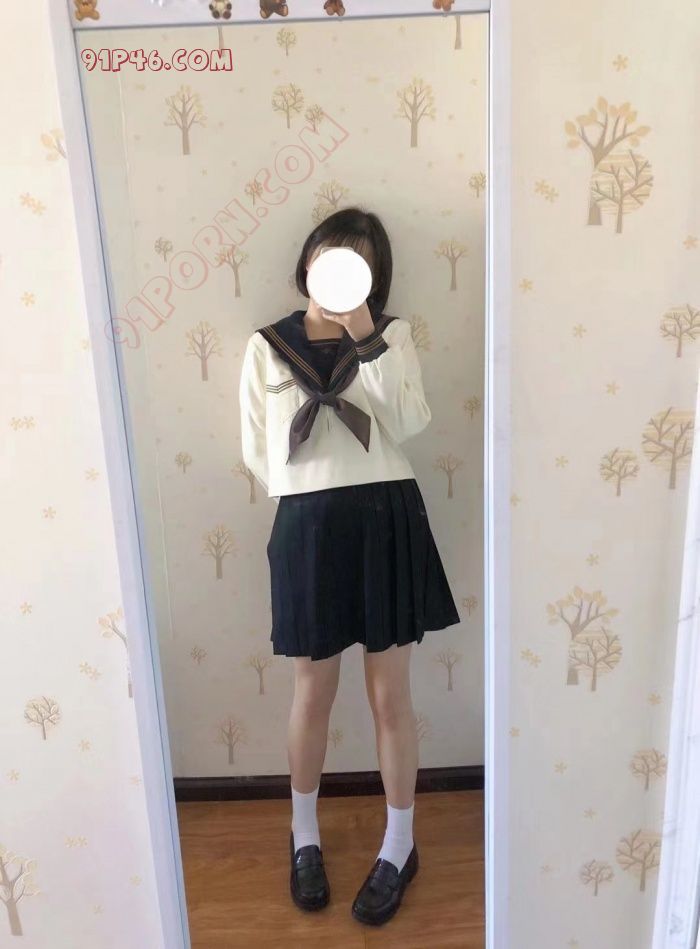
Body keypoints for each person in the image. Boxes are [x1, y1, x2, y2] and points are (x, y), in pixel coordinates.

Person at [238, 207, 461, 926]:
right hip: (308, 524)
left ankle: (400, 843)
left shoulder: (392, 336)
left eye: (356, 263)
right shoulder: (267, 346)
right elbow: (257, 449)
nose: (337, 271)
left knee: (390, 694)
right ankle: (303, 834)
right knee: (313, 691)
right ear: (308, 262)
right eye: (330, 256)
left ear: (374, 277)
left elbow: (411, 421)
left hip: (384, 516)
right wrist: (309, 493)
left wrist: (367, 337)